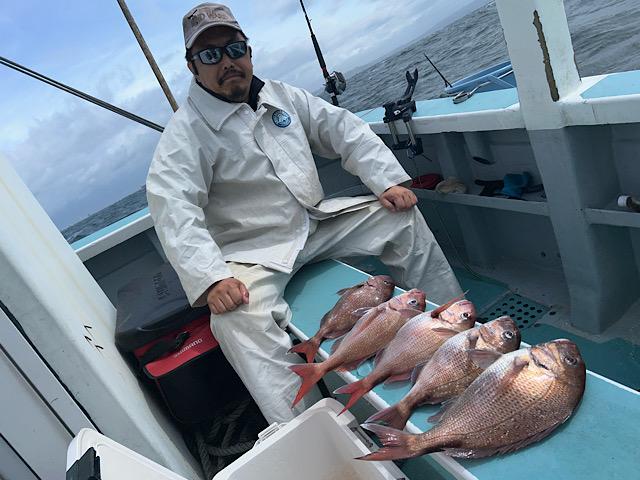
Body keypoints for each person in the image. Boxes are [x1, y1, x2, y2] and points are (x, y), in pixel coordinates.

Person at [146, 2, 462, 424]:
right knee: (235, 322)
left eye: (235, 48)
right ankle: (312, 428)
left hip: (316, 222)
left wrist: (385, 181)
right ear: (193, 67)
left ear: (249, 51)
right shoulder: (184, 134)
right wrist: (212, 279)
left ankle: (455, 331)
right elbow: (173, 206)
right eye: (210, 55)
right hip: (255, 254)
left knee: (399, 218)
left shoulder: (282, 96)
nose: (227, 62)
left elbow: (343, 129)